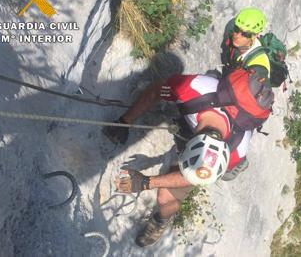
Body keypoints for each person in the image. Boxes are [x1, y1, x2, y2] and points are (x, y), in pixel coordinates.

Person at [103, 73, 256, 247]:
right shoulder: (194, 90)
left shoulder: (236, 152)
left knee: (165, 199)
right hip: (195, 116)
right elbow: (155, 92)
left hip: (206, 132)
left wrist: (146, 182)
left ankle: (161, 221)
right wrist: (125, 121)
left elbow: (191, 177)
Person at [221, 7, 271, 82]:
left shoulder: (259, 66)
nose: (237, 36)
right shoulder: (236, 41)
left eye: (245, 34)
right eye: (236, 29)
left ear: (256, 35)